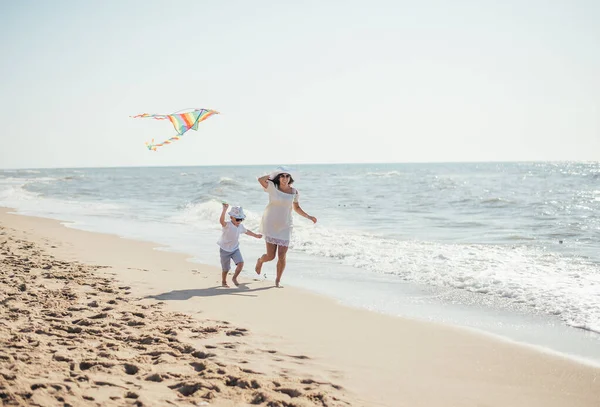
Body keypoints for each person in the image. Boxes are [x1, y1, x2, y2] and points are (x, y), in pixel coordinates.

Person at [255, 166, 317, 287]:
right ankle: (260, 261)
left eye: (287, 176)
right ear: (279, 178)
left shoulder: (294, 192)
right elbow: (260, 180)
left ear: (290, 178)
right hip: (271, 224)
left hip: (286, 225)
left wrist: (309, 216)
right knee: (270, 256)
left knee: (282, 256)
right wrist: (272, 175)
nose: (285, 178)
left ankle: (277, 280)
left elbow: (297, 208)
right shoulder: (272, 187)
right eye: (282, 176)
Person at [217, 203, 262, 287]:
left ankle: (234, 278)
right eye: (237, 219)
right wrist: (224, 210)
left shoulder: (240, 226)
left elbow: (247, 231)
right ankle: (223, 281)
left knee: (241, 263)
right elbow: (221, 221)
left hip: (235, 249)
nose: (239, 221)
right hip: (224, 249)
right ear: (231, 217)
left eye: (241, 219)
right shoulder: (228, 225)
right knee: (226, 269)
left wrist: (255, 235)